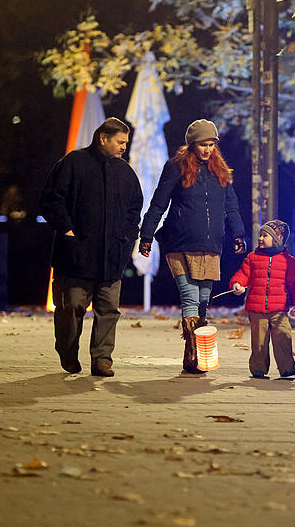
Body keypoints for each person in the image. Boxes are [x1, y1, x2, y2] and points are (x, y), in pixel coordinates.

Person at [138, 119, 246, 374]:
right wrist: (146, 235)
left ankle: (197, 353)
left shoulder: (220, 170)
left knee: (203, 303)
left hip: (210, 245)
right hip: (180, 243)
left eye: (211, 144)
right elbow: (158, 203)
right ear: (192, 144)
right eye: (202, 144)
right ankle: (193, 356)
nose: (207, 149)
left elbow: (231, 205)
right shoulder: (176, 167)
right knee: (190, 298)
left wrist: (238, 234)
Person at [40, 117, 143, 377]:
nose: (124, 147)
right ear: (103, 138)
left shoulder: (125, 172)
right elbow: (51, 199)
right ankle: (67, 352)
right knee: (71, 307)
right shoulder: (73, 163)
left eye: (126, 142)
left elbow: (134, 208)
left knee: (108, 310)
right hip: (76, 256)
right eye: (120, 142)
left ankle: (102, 359)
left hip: (112, 257)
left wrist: (127, 237)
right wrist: (67, 230)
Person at [230, 220, 295, 379]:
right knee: (259, 341)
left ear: (277, 238)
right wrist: (238, 283)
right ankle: (258, 368)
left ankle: (287, 367)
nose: (260, 238)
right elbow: (243, 274)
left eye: (265, 236)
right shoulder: (253, 258)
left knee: (283, 337)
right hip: (256, 308)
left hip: (279, 309)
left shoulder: (288, 261)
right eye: (260, 235)